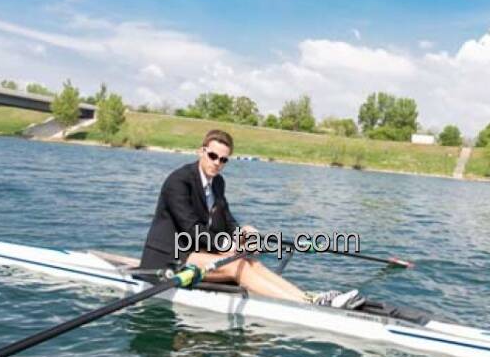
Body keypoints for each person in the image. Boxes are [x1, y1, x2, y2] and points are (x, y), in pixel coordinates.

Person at [140, 129, 361, 307]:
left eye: (223, 159)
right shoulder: (178, 182)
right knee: (238, 265)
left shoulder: (218, 182)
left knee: (249, 261)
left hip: (197, 253)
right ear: (201, 151)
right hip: (167, 258)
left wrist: (241, 233)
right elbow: (192, 229)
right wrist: (227, 246)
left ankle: (308, 299)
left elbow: (225, 219)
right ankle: (304, 305)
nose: (217, 163)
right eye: (213, 156)